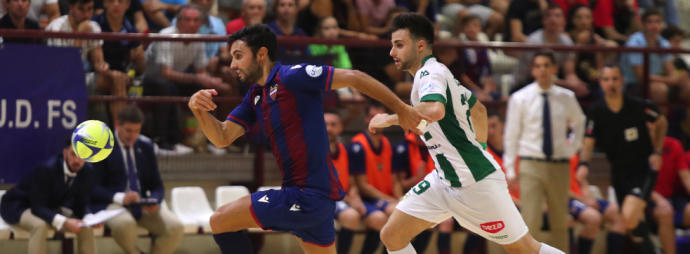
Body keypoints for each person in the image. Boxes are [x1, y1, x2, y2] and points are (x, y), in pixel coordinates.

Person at [187, 24, 423, 254]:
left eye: (238, 56)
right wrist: (200, 111)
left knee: (220, 221)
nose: (232, 65)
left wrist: (401, 109)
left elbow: (355, 77)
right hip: (313, 200)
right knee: (221, 221)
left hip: (306, 196)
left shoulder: (292, 77)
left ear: (261, 55)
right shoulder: (255, 95)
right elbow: (222, 137)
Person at [368, 13, 564, 254]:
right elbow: (478, 109)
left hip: (475, 182)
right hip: (443, 178)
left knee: (525, 248)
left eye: (399, 45)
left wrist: (389, 118)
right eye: (392, 46)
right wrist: (478, 147)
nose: (392, 52)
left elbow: (434, 109)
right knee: (392, 235)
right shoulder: (439, 74)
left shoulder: (430, 73)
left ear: (420, 46)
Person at [577, 64, 669, 254]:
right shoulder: (596, 111)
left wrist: (657, 151)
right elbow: (588, 142)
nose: (611, 83)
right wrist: (584, 164)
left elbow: (661, 122)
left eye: (615, 79)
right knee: (634, 225)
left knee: (628, 216)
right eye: (606, 79)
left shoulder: (638, 106)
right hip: (618, 173)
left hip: (643, 169)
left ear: (622, 81)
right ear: (600, 83)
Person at [91, 105, 184, 254]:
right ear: (117, 125)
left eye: (136, 131)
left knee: (175, 227)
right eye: (128, 130)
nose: (132, 136)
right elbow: (92, 188)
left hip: (141, 203)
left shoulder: (146, 146)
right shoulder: (103, 147)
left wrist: (154, 200)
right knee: (125, 225)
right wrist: (121, 198)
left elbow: (157, 185)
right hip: (112, 204)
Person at [143, 4, 230, 152]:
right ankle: (165, 142)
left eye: (196, 20)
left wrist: (211, 81)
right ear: (178, 21)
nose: (192, 24)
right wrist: (199, 78)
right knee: (167, 88)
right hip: (151, 79)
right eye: (187, 19)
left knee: (210, 91)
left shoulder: (198, 39)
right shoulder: (166, 35)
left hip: (177, 79)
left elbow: (201, 71)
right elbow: (166, 73)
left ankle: (210, 141)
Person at [0, 139, 97, 254]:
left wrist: (90, 218)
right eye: (73, 154)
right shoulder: (47, 169)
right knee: (40, 225)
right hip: (20, 205)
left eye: (82, 156)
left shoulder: (86, 171)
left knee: (86, 227)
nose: (77, 160)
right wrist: (65, 221)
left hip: (49, 207)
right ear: (65, 153)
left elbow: (81, 203)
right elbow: (38, 207)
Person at [350, 102, 402, 254]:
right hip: (367, 198)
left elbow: (395, 180)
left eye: (382, 118)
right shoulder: (358, 145)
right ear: (367, 119)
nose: (379, 122)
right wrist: (390, 199)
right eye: (374, 117)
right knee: (380, 218)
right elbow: (362, 186)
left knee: (402, 213)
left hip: (384, 198)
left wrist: (400, 199)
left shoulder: (387, 144)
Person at [620, 8, 690, 107]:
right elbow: (641, 77)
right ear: (643, 24)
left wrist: (673, 79)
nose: (654, 25)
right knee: (660, 89)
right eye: (650, 22)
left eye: (658, 22)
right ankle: (660, 121)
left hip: (656, 82)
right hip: (632, 86)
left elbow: (672, 73)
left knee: (688, 87)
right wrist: (670, 79)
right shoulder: (634, 42)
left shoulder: (664, 42)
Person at [325, 110, 367, 254]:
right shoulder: (314, 151)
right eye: (325, 124)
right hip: (323, 198)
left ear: (340, 128)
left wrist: (355, 198)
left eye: (333, 124)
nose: (329, 128)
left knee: (370, 215)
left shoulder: (345, 150)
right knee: (352, 216)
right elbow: (324, 187)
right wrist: (350, 201)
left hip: (341, 199)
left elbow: (352, 183)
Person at [568, 154, 626, 254]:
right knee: (593, 218)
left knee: (620, 214)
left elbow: (581, 179)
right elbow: (557, 187)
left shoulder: (574, 152)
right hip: (567, 199)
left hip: (582, 198)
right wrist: (583, 199)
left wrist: (588, 198)